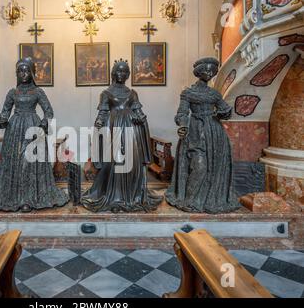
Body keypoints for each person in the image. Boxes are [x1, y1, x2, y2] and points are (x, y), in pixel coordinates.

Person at [0, 58, 69, 213]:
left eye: (26, 70)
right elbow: (4, 112)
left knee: (29, 162)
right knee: (15, 160)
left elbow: (48, 111)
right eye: (20, 71)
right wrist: (2, 120)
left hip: (33, 127)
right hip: (15, 128)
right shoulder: (13, 92)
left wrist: (44, 122)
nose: (23, 74)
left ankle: (29, 198)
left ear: (32, 73)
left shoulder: (38, 92)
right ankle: (13, 196)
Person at [81, 59, 163, 213]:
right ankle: (115, 196)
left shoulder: (133, 93)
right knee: (115, 161)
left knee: (132, 160)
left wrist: (141, 118)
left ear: (128, 74)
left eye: (125, 71)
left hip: (131, 129)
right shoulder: (105, 93)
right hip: (114, 128)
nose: (122, 74)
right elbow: (103, 112)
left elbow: (138, 110)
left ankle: (130, 196)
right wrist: (99, 122)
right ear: (113, 73)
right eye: (119, 70)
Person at [165, 57, 241, 214]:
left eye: (212, 71)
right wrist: (182, 126)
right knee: (199, 166)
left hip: (214, 132)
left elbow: (225, 111)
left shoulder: (215, 94)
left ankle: (208, 199)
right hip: (195, 131)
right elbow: (182, 113)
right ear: (198, 71)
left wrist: (225, 112)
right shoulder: (188, 93)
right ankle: (190, 200)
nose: (209, 73)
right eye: (205, 69)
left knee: (213, 167)